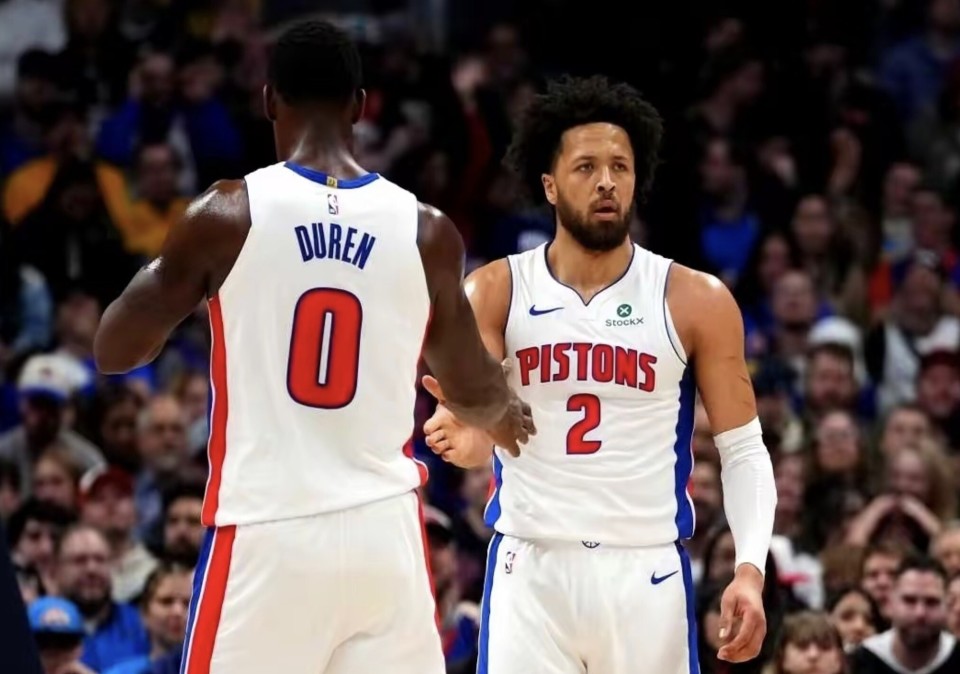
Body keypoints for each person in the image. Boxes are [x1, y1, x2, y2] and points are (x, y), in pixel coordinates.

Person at [92, 18, 534, 674]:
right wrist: (506, 410)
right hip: (385, 536)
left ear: (269, 99)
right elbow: (475, 391)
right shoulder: (427, 231)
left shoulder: (227, 213)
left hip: (270, 530)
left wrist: (200, 286)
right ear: (361, 106)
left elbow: (114, 349)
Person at [422, 75, 777, 673]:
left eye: (620, 167)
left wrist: (750, 569)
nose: (607, 181)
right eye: (586, 167)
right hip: (531, 568)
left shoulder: (696, 299)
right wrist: (466, 434)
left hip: (645, 571)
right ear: (549, 184)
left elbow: (743, 449)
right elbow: (479, 432)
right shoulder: (495, 289)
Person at [850, 556, 960, 673]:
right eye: (909, 601)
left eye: (931, 602)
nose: (920, 613)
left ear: (947, 605)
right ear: (891, 601)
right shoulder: (860, 662)